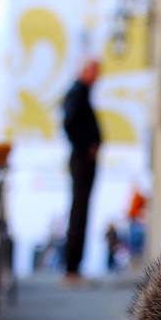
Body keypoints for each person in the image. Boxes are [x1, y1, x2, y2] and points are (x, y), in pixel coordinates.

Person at [61, 59, 101, 284]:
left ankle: (74, 266)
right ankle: (71, 267)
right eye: (95, 71)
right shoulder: (77, 93)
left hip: (83, 159)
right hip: (81, 160)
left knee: (81, 212)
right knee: (79, 212)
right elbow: (70, 123)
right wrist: (86, 146)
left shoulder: (81, 93)